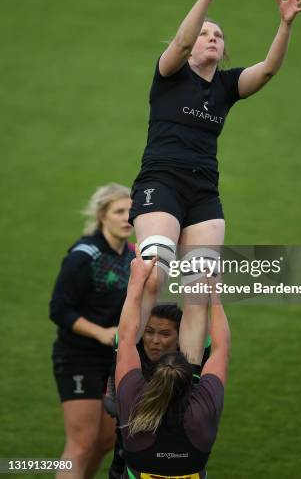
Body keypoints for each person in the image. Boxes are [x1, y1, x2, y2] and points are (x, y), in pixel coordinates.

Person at [129, 0, 301, 360]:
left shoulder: (225, 87)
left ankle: (187, 378)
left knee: (200, 291)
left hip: (203, 194)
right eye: (206, 34)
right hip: (162, 183)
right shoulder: (170, 74)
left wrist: (285, 25)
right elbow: (180, 38)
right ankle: (124, 368)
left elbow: (267, 70)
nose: (212, 38)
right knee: (152, 276)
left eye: (219, 35)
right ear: (192, 48)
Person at [115, 247, 230, 479]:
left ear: (152, 379)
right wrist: (215, 294)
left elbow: (126, 339)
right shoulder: (200, 413)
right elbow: (220, 349)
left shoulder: (134, 407)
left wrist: (137, 282)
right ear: (191, 381)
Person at [49, 183, 134, 479]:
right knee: (81, 444)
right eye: (119, 211)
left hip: (112, 359)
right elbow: (59, 310)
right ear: (102, 216)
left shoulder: (132, 255)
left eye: (131, 211)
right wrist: (100, 333)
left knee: (106, 441)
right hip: (78, 357)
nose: (127, 218)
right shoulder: (84, 257)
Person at [106, 304, 211, 479]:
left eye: (165, 334)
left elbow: (198, 315)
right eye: (149, 331)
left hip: (179, 469)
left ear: (180, 337)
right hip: (125, 465)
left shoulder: (189, 367)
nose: (155, 340)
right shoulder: (131, 362)